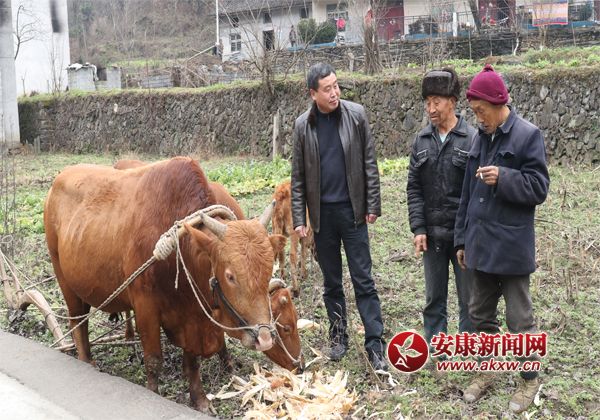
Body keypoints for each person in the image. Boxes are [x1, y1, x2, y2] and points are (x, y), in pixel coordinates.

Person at [454, 64, 550, 414]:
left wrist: (505, 177)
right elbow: (466, 193)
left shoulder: (527, 136)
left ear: (499, 104)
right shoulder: (479, 137)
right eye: (474, 112)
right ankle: (487, 369)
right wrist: (461, 239)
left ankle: (529, 379)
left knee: (519, 319)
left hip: (511, 247)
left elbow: (539, 187)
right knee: (479, 314)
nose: (478, 118)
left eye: (482, 111)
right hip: (480, 243)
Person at [291, 62, 386, 371]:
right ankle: (338, 336)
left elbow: (369, 162)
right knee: (331, 282)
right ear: (313, 93)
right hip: (322, 217)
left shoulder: (356, 115)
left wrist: (372, 204)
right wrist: (299, 218)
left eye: (336, 86)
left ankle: (375, 343)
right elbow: (298, 178)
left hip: (353, 212)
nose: (335, 93)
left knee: (363, 280)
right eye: (327, 89)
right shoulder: (303, 126)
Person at [407, 68, 476, 363]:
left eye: (436, 102)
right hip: (432, 235)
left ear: (452, 102)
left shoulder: (472, 139)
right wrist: (418, 228)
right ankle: (438, 349)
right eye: (427, 102)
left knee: (469, 299)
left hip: (463, 238)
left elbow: (477, 194)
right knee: (434, 298)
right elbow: (414, 189)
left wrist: (469, 236)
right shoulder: (421, 141)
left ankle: (469, 348)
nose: (431, 109)